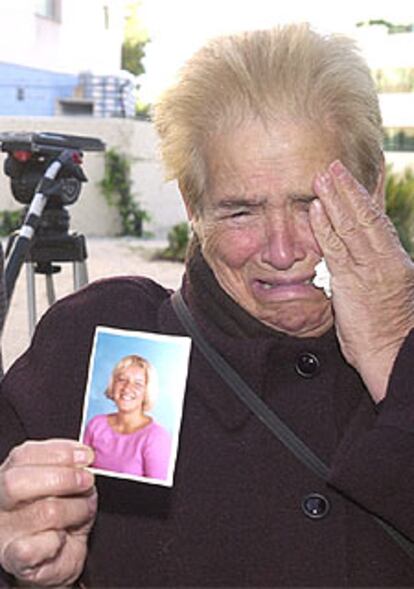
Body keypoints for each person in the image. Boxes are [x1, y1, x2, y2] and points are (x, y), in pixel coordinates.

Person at [0, 22, 413, 587]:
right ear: (194, 206)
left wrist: (396, 354)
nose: (283, 250)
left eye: (310, 203)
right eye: (241, 211)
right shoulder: (93, 344)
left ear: (374, 188)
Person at [83, 354, 171, 481]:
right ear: (113, 384)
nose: (127, 388)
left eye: (138, 384)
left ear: (147, 391)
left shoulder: (157, 437)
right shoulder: (96, 424)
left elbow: (156, 494)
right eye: (122, 379)